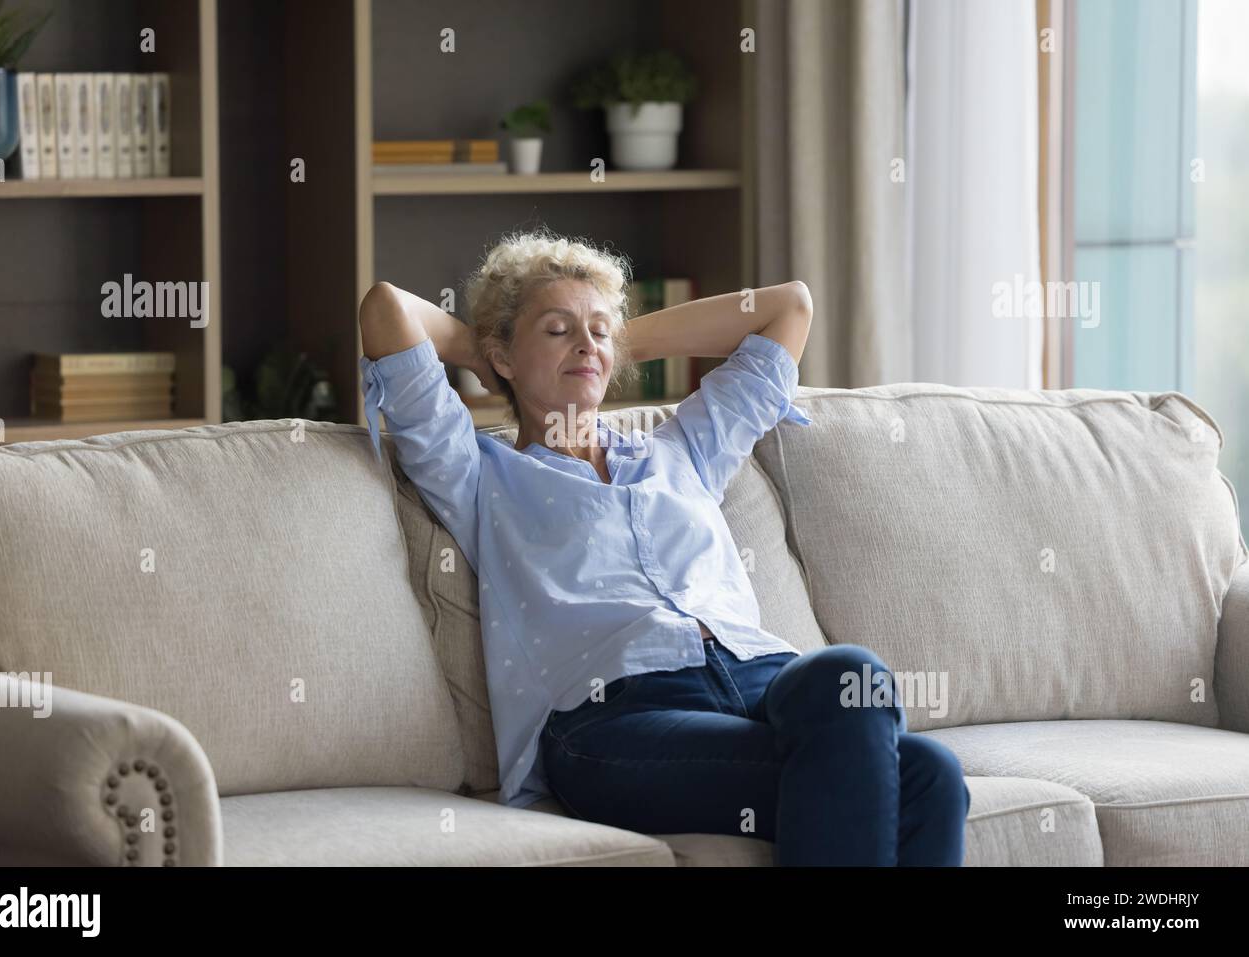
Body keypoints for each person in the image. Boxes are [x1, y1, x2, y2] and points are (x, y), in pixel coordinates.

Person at [358, 227, 971, 865]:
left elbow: (789, 307)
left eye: (599, 330)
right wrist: (490, 353)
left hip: (761, 685)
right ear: (504, 356)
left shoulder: (684, 451)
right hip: (616, 723)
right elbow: (387, 310)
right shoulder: (480, 478)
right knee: (902, 753)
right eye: (557, 330)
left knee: (906, 740)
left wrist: (611, 340)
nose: (586, 345)